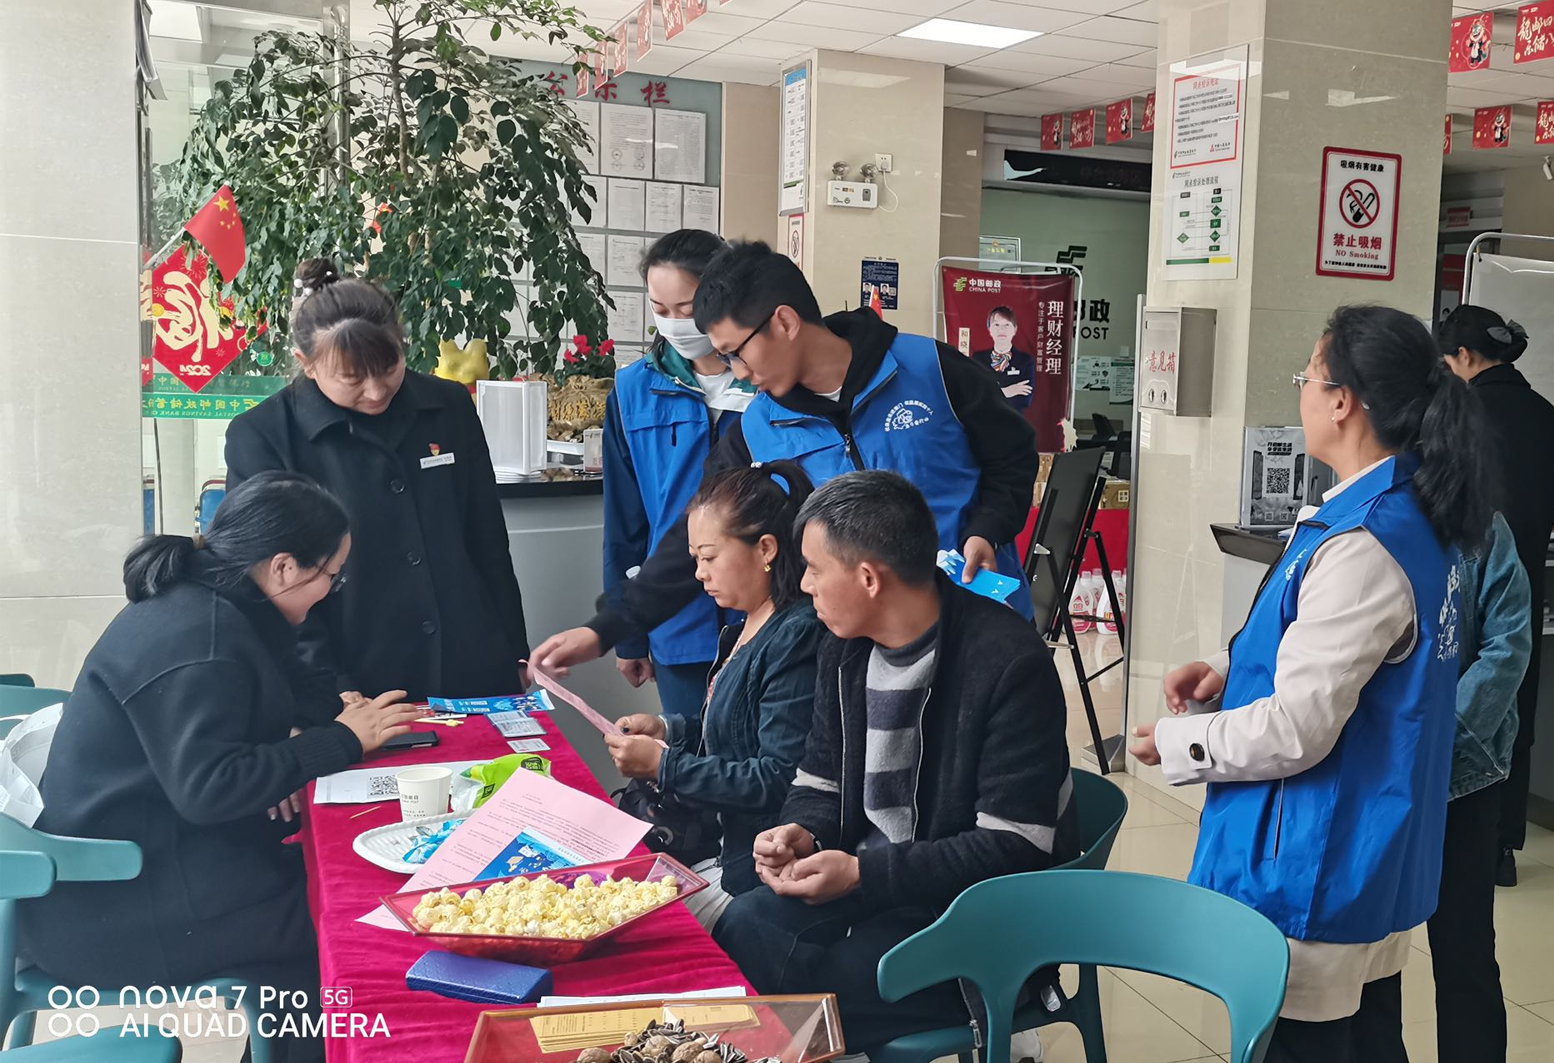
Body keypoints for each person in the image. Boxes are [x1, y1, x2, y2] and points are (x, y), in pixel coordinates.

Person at [1129, 305, 1489, 1062]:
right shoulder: (1403, 513)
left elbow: (1297, 728)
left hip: (1317, 862)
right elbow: (1348, 650)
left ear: (1343, 401)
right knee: (1370, 1037)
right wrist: (1228, 667)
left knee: (1309, 1044)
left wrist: (1179, 740)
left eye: (1308, 376)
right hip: (1371, 846)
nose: (1300, 392)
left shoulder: (1365, 541)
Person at [19, 472, 425, 1063]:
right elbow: (210, 788)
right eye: (331, 576)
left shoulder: (225, 602)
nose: (330, 592)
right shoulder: (201, 636)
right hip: (116, 905)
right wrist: (340, 740)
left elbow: (290, 692)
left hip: (162, 858)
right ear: (283, 567)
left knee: (335, 884)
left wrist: (305, 735)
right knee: (347, 917)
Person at [531, 241, 1038, 681]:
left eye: (736, 353)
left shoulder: (931, 369)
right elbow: (698, 535)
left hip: (978, 627)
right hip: (862, 656)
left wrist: (986, 528)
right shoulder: (757, 431)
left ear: (785, 322)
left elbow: (1012, 459)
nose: (737, 372)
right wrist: (606, 628)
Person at [714, 470, 1075, 1051]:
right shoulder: (843, 647)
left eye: (814, 569)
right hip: (878, 887)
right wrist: (801, 831)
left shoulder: (1008, 663)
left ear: (868, 578)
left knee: (811, 986)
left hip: (972, 915)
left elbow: (1015, 845)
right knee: (742, 927)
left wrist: (863, 874)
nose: (803, 585)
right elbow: (818, 777)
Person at [226, 259, 528, 703]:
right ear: (307, 364)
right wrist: (331, 685)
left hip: (470, 660)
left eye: (388, 366)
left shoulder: (448, 406)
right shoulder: (264, 436)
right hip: (354, 677)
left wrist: (514, 651)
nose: (375, 390)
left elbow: (487, 541)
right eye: (351, 378)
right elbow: (270, 581)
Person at [605, 461, 821, 931]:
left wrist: (665, 766)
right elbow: (739, 730)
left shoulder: (796, 635)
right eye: (694, 558)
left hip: (755, 871)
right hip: (724, 851)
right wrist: (668, 729)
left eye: (709, 557)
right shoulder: (745, 626)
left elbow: (778, 776)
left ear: (766, 549)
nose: (699, 574)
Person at [604, 230, 755, 718]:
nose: (672, 322)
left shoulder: (765, 381)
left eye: (685, 308)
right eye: (659, 308)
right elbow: (625, 523)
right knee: (685, 748)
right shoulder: (634, 390)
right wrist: (628, 631)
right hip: (676, 621)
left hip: (764, 614)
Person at [1438, 304, 1554, 887]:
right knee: (1516, 703)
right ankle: (1504, 846)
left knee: (1471, 700)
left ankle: (1465, 838)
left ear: (1463, 356)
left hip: (1470, 581)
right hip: (1528, 576)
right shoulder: (1544, 412)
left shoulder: (1463, 411)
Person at [1426, 513, 1530, 1063]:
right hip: (1376, 778)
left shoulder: (1480, 529)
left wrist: (1438, 745)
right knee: (1365, 965)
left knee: (1463, 949)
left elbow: (1507, 649)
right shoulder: (1357, 518)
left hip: (1459, 776)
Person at [970, 306, 1036, 411]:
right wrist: (1006, 391)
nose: (1001, 330)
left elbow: (1024, 400)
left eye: (1007, 325)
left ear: (1015, 330)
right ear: (989, 329)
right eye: (996, 325)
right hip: (983, 419)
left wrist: (989, 394)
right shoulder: (978, 359)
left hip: (1012, 419)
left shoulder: (1025, 360)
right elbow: (973, 395)